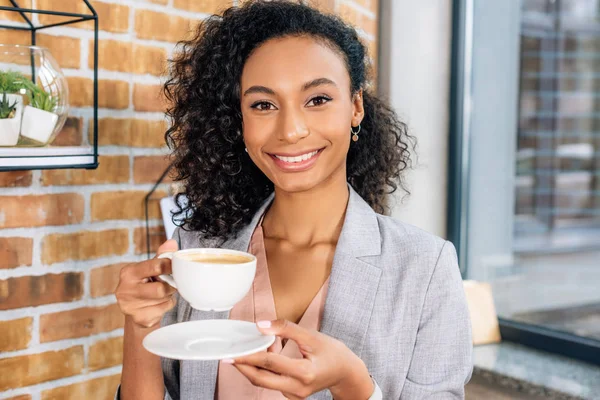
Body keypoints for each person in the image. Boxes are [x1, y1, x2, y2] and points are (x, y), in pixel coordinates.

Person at [115, 1, 473, 399]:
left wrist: (353, 384)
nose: (291, 130)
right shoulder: (196, 250)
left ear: (355, 107)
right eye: (263, 105)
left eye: (317, 99)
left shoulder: (424, 268)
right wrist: (140, 325)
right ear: (240, 121)